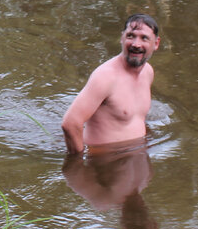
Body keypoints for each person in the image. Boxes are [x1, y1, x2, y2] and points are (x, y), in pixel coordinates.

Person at [62, 14, 161, 156]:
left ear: (156, 43)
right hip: (104, 161)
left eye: (144, 38)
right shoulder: (106, 77)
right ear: (122, 38)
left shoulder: (148, 72)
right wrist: (78, 162)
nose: (136, 44)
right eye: (130, 36)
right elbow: (70, 123)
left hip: (135, 156)